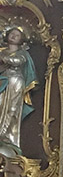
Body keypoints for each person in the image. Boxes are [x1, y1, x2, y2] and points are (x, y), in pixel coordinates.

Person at [0, 27, 36, 157]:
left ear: (22, 40)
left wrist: (4, 58)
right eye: (12, 34)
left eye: (17, 35)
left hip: (15, 82)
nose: (14, 36)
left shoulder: (23, 53)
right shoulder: (2, 51)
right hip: (2, 81)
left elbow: (17, 61)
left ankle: (6, 138)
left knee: (12, 110)